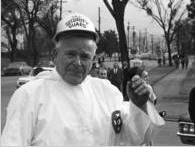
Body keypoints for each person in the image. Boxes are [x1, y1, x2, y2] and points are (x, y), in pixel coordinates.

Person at [1, 13, 164, 146]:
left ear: (93, 59)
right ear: (54, 55)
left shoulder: (107, 92)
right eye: (71, 54)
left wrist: (139, 106)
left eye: (85, 56)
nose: (78, 62)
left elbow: (134, 138)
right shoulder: (29, 95)